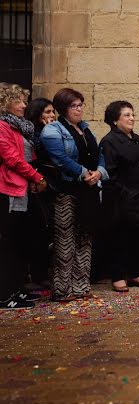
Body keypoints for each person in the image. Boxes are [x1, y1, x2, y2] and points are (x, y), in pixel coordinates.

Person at [41, 88, 107, 301]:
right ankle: (62, 289)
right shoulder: (54, 130)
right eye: (74, 106)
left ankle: (80, 286)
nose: (79, 109)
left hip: (88, 191)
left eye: (81, 105)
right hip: (67, 191)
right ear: (63, 108)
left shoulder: (86, 129)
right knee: (65, 240)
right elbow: (60, 159)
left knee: (84, 237)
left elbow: (100, 155)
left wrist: (99, 172)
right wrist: (83, 173)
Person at [0, 84, 48, 309]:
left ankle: (15, 289)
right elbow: (12, 159)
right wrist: (37, 177)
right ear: (5, 103)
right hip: (9, 188)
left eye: (23, 100)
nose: (23, 105)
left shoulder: (21, 128)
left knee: (19, 243)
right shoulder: (2, 126)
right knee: (9, 244)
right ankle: (5, 294)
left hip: (22, 190)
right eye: (18, 101)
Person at [99, 101, 139, 293]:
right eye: (126, 115)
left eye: (132, 114)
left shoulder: (137, 139)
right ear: (115, 120)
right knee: (120, 238)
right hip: (121, 199)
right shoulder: (109, 141)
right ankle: (118, 275)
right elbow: (110, 173)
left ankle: (136, 272)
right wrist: (126, 193)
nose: (132, 118)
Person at [24, 97, 57, 290]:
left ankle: (42, 272)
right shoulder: (33, 133)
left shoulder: (54, 131)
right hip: (36, 185)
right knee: (36, 230)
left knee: (46, 231)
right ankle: (34, 274)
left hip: (50, 185)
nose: (51, 116)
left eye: (53, 112)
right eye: (47, 112)